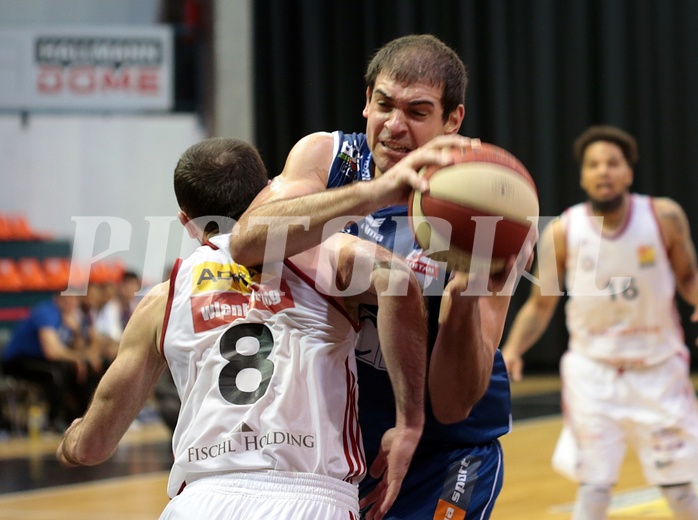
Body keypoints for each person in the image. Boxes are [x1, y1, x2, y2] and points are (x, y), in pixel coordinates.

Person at [229, 34, 528, 519]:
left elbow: (453, 405)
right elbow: (247, 241)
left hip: (445, 452)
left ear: (452, 120)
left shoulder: (486, 206)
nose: (394, 125)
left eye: (417, 111)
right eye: (384, 104)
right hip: (334, 445)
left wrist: (466, 293)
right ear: (366, 101)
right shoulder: (328, 158)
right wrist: (374, 194)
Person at [56, 137, 428, 520]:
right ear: (269, 191)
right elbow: (398, 279)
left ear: (186, 221)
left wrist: (71, 442)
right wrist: (409, 419)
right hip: (313, 498)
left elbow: (93, 447)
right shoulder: (328, 256)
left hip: (203, 500)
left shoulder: (161, 300)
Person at [501, 125, 698, 519]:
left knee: (679, 487)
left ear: (628, 172)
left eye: (612, 163)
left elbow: (689, 278)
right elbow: (540, 306)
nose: (602, 171)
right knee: (594, 487)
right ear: (582, 175)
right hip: (593, 373)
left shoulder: (663, 216)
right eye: (593, 165)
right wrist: (511, 350)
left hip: (658, 368)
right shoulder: (562, 231)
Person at [1, 293, 102, 431]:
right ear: (58, 298)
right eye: (68, 298)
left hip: (41, 360)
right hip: (16, 361)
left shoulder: (70, 317)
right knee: (55, 373)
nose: (72, 303)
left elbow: (75, 349)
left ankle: (83, 417)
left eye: (75, 299)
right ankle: (53, 421)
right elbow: (52, 352)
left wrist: (77, 332)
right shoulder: (46, 312)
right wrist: (77, 358)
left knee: (84, 367)